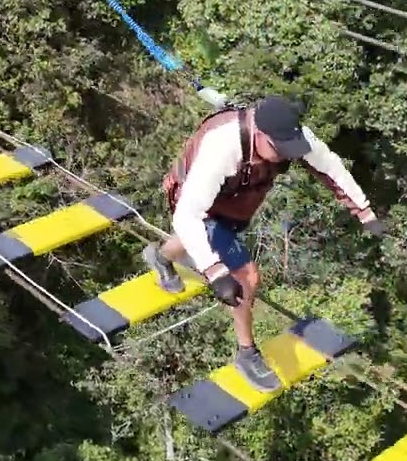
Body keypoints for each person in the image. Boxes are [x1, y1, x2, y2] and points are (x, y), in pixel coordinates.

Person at [143, 88, 385, 391]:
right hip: (194, 201)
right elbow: (188, 215)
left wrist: (365, 213)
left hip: (235, 203)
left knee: (212, 237)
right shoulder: (223, 147)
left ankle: (161, 257)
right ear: (259, 133)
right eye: (280, 148)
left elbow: (330, 167)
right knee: (247, 276)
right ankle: (247, 353)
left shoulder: (290, 136)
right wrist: (216, 273)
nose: (286, 155)